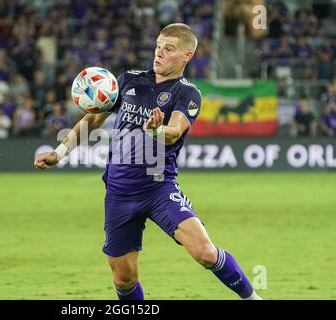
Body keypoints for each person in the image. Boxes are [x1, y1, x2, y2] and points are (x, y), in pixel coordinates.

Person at [34, 23, 261, 300]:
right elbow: (93, 120)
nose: (159, 53)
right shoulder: (129, 79)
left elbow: (175, 131)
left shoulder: (187, 93)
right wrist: (59, 153)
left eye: (169, 49)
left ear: (187, 56)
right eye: (158, 46)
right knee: (124, 278)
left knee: (205, 252)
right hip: (118, 192)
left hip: (158, 189)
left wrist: (156, 130)